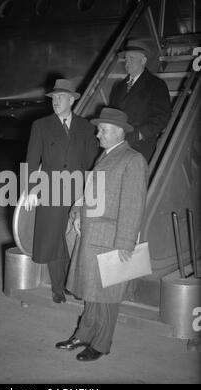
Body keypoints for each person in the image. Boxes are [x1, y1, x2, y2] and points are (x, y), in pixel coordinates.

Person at [56, 108, 148, 361]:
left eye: (103, 130)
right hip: (93, 236)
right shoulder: (107, 157)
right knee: (91, 293)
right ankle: (84, 334)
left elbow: (132, 206)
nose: (98, 134)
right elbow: (90, 194)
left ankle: (101, 343)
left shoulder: (132, 160)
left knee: (107, 298)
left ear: (118, 132)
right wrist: (76, 214)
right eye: (99, 129)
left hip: (110, 240)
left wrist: (124, 245)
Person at [25, 79, 99, 303]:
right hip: (50, 189)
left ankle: (71, 282)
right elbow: (31, 159)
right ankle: (59, 288)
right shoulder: (41, 125)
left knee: (77, 240)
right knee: (52, 237)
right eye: (53, 98)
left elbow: (91, 162)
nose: (55, 102)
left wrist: (89, 192)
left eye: (60, 98)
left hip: (77, 190)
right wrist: (29, 190)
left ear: (71, 100)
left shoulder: (86, 127)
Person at [110, 39, 171, 162]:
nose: (127, 62)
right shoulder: (119, 86)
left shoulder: (156, 84)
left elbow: (162, 117)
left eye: (132, 58)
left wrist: (139, 134)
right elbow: (112, 113)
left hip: (141, 147)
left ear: (143, 60)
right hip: (118, 145)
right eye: (126, 59)